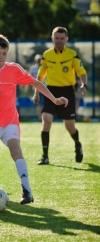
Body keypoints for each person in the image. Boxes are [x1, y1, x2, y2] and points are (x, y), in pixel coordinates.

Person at [0, 34, 68, 205]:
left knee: (15, 149)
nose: (1, 57)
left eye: (4, 53)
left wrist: (54, 99)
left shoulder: (14, 69)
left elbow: (36, 83)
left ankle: (27, 190)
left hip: (10, 121)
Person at [33, 27, 87, 165]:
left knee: (70, 127)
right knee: (46, 123)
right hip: (50, 91)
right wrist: (36, 92)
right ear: (52, 38)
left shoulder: (72, 54)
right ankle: (45, 156)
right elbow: (40, 76)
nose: (59, 41)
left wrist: (84, 84)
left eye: (62, 38)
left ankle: (77, 144)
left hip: (67, 92)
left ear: (66, 39)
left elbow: (82, 72)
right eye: (56, 38)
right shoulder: (46, 55)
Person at [28, 54, 43, 121]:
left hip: (44, 88)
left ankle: (45, 117)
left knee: (45, 103)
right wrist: (27, 88)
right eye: (37, 60)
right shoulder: (33, 68)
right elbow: (29, 78)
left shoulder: (44, 68)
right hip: (36, 89)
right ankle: (40, 117)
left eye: (40, 60)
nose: (39, 61)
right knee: (38, 104)